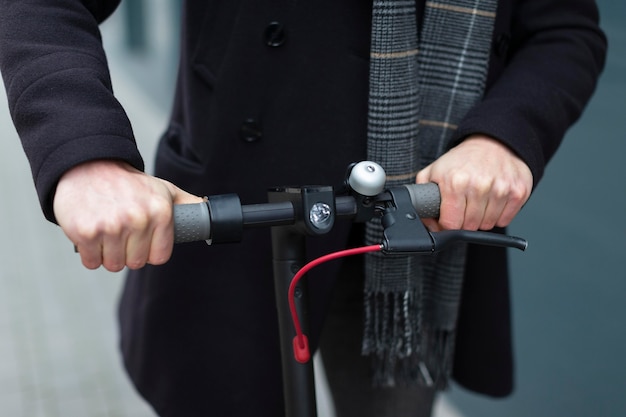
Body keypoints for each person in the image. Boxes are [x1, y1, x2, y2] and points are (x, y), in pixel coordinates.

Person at [0, 0, 606, 416]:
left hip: (416, 232)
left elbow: (563, 30)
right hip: (237, 207)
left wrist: (500, 137)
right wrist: (87, 157)